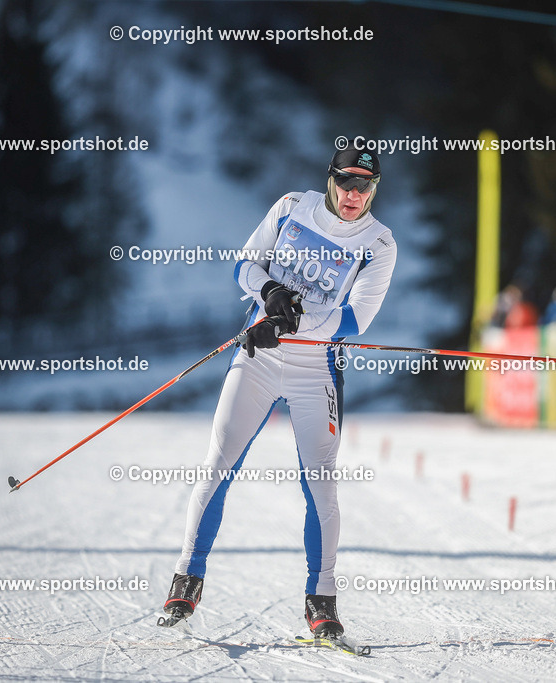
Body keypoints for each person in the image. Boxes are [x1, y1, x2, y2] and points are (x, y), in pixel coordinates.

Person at [162, 148, 397, 641]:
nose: (354, 195)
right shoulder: (292, 206)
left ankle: (322, 601)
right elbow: (244, 267)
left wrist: (295, 322)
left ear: (375, 189)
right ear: (330, 180)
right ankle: (187, 578)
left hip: (317, 370)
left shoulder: (379, 242)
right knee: (217, 464)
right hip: (258, 358)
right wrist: (271, 294)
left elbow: (356, 319)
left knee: (321, 485)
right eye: (346, 182)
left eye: (365, 186)